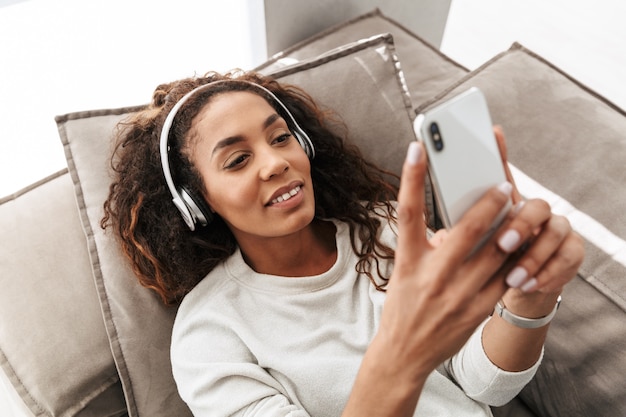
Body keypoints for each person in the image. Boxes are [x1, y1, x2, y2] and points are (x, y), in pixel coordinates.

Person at [102, 70, 584, 416]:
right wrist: (402, 356)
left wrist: (531, 297)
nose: (274, 163)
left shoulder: (385, 229)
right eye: (237, 160)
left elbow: (485, 384)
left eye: (280, 137)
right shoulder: (209, 337)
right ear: (195, 204)